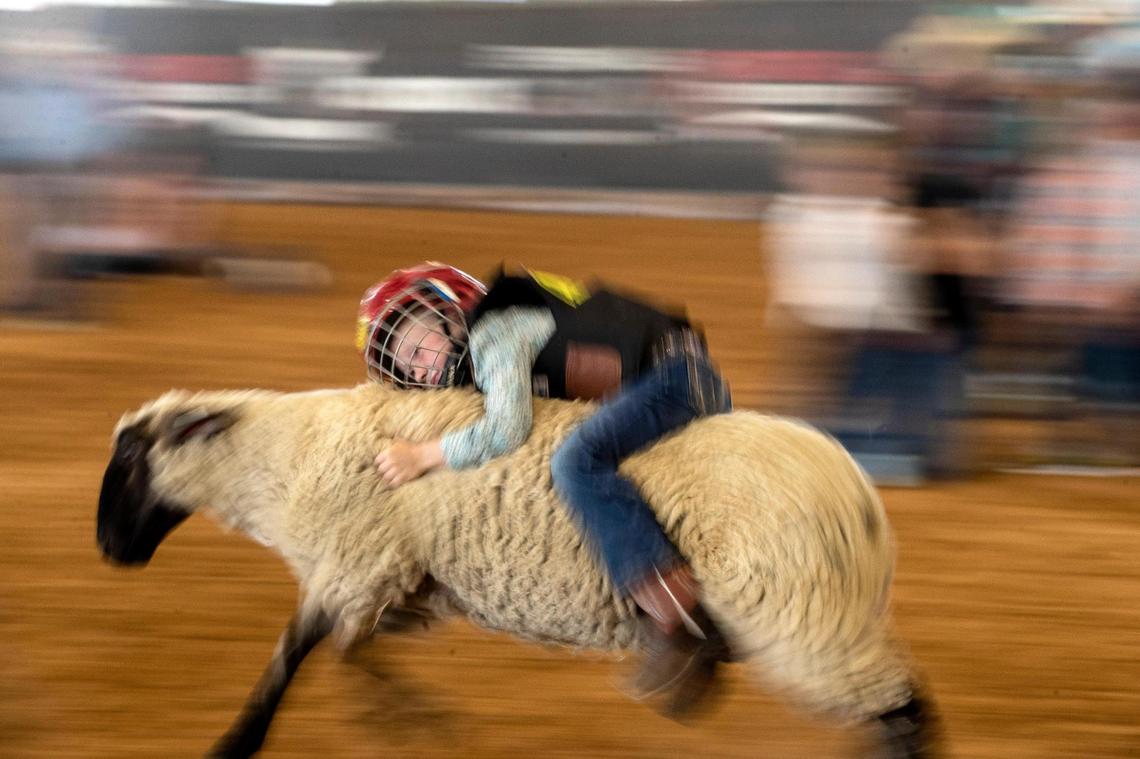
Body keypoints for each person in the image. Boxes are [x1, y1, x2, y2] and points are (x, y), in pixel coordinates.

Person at [356, 261, 732, 716]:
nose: (422, 367)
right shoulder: (489, 346)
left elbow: (507, 428)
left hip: (678, 381)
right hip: (667, 378)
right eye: (406, 365)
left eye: (419, 343)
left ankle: (680, 618)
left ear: (451, 312)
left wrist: (421, 455)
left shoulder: (496, 330)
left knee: (575, 463)